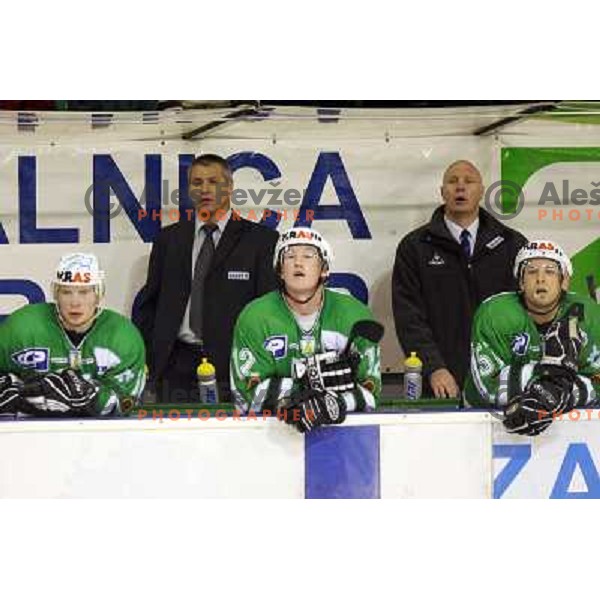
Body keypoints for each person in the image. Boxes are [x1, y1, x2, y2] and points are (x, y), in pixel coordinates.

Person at [134, 154, 279, 403]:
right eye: (197, 182)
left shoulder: (261, 241)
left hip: (233, 366)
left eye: (213, 182)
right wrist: (149, 360)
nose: (205, 189)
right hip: (173, 366)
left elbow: (267, 311)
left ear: (230, 187)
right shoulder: (168, 239)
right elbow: (149, 305)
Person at [392, 159, 527, 398]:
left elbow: (526, 315)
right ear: (442, 192)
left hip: (503, 380)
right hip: (440, 384)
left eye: (469, 181)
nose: (460, 187)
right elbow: (409, 317)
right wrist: (434, 368)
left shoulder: (513, 244)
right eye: (452, 181)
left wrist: (516, 370)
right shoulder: (414, 247)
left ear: (482, 190)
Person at [230, 227, 382, 433]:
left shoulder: (354, 315)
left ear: (324, 269)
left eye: (308, 256)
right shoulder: (255, 317)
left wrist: (337, 404)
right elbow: (245, 393)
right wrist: (309, 389)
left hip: (342, 435)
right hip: (269, 434)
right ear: (280, 271)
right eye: (289, 256)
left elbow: (371, 390)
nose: (298, 262)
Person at [464, 240, 600, 436]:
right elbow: (488, 387)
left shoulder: (586, 313)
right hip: (482, 422)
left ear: (564, 281)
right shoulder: (495, 313)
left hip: (570, 426)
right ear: (520, 282)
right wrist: (556, 382)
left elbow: (597, 381)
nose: (540, 279)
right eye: (531, 271)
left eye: (550, 271)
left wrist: (553, 396)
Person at [0, 253, 146, 417]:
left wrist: (92, 397)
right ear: (56, 295)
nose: (75, 302)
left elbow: (127, 405)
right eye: (66, 292)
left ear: (98, 295)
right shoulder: (22, 327)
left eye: (84, 292)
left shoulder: (123, 337)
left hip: (101, 436)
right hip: (31, 433)